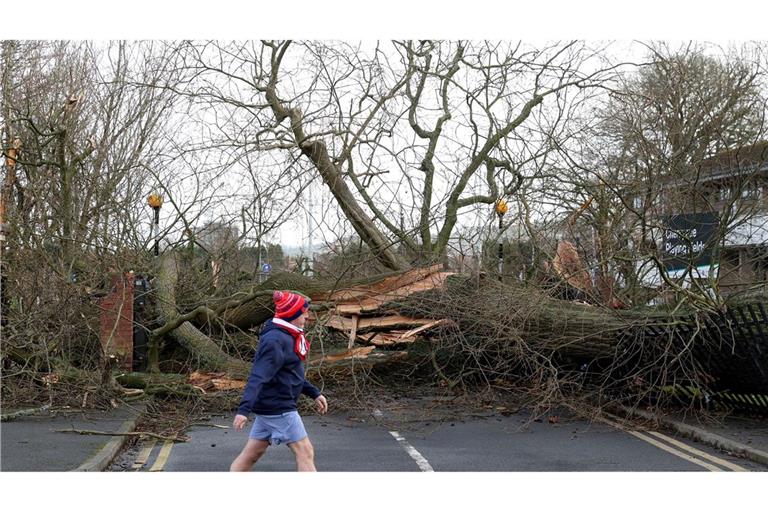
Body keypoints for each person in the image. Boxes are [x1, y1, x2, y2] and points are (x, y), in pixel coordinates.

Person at [230, 290, 328, 472]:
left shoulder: (288, 335)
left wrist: (314, 393)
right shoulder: (275, 340)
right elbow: (258, 376)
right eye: (304, 311)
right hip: (279, 408)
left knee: (251, 455)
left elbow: (289, 374)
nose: (307, 315)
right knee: (305, 452)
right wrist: (243, 410)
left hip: (270, 407)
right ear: (292, 314)